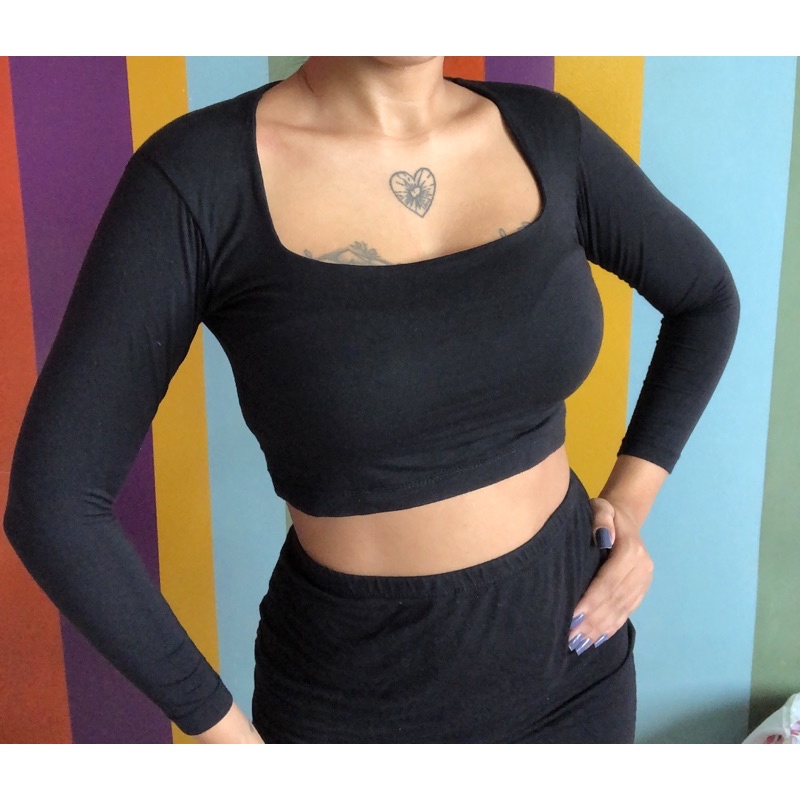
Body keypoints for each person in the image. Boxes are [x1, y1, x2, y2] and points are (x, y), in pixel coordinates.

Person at [3, 56, 739, 743]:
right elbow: (54, 503)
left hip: (577, 660)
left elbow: (705, 299)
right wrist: (229, 741)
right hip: (357, 700)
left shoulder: (547, 134)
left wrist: (629, 504)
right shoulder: (198, 177)